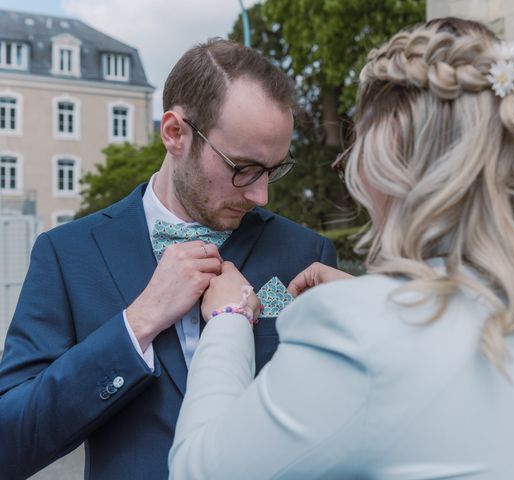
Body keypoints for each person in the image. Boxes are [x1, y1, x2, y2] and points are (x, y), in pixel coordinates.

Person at [168, 18, 514, 480]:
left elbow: (198, 470)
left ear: (386, 166)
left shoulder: (357, 330)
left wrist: (230, 319)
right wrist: (379, 304)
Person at [0, 39, 336, 479]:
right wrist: (138, 323)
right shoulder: (68, 254)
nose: (261, 194)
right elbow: (9, 445)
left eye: (273, 169)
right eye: (244, 168)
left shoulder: (305, 255)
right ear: (175, 133)